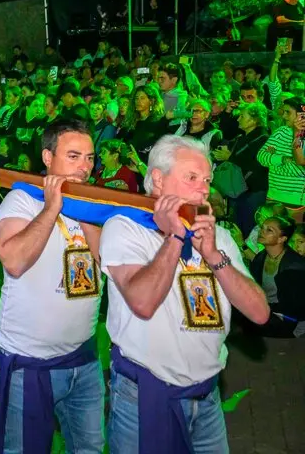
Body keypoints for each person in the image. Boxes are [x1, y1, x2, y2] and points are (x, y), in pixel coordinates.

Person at [101, 135, 270, 453]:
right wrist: (175, 238)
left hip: (207, 398)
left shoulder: (218, 235)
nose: (204, 188)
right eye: (192, 177)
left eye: (206, 179)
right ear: (158, 179)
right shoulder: (125, 228)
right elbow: (142, 301)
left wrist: (214, 256)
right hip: (144, 395)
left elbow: (259, 312)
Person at [0, 119, 104, 454]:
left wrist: (85, 212)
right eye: (74, 156)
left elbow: (107, 261)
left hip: (85, 359)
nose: (84, 167)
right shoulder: (23, 200)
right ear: (48, 158)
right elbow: (14, 260)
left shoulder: (94, 206)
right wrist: (53, 208)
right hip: (31, 363)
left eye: (90, 158)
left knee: (90, 448)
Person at [246, 215, 305, 338]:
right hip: (265, 313)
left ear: (281, 239)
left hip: (285, 320)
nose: (262, 231)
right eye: (263, 228)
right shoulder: (260, 258)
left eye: (269, 230)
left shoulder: (294, 265)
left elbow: (295, 307)